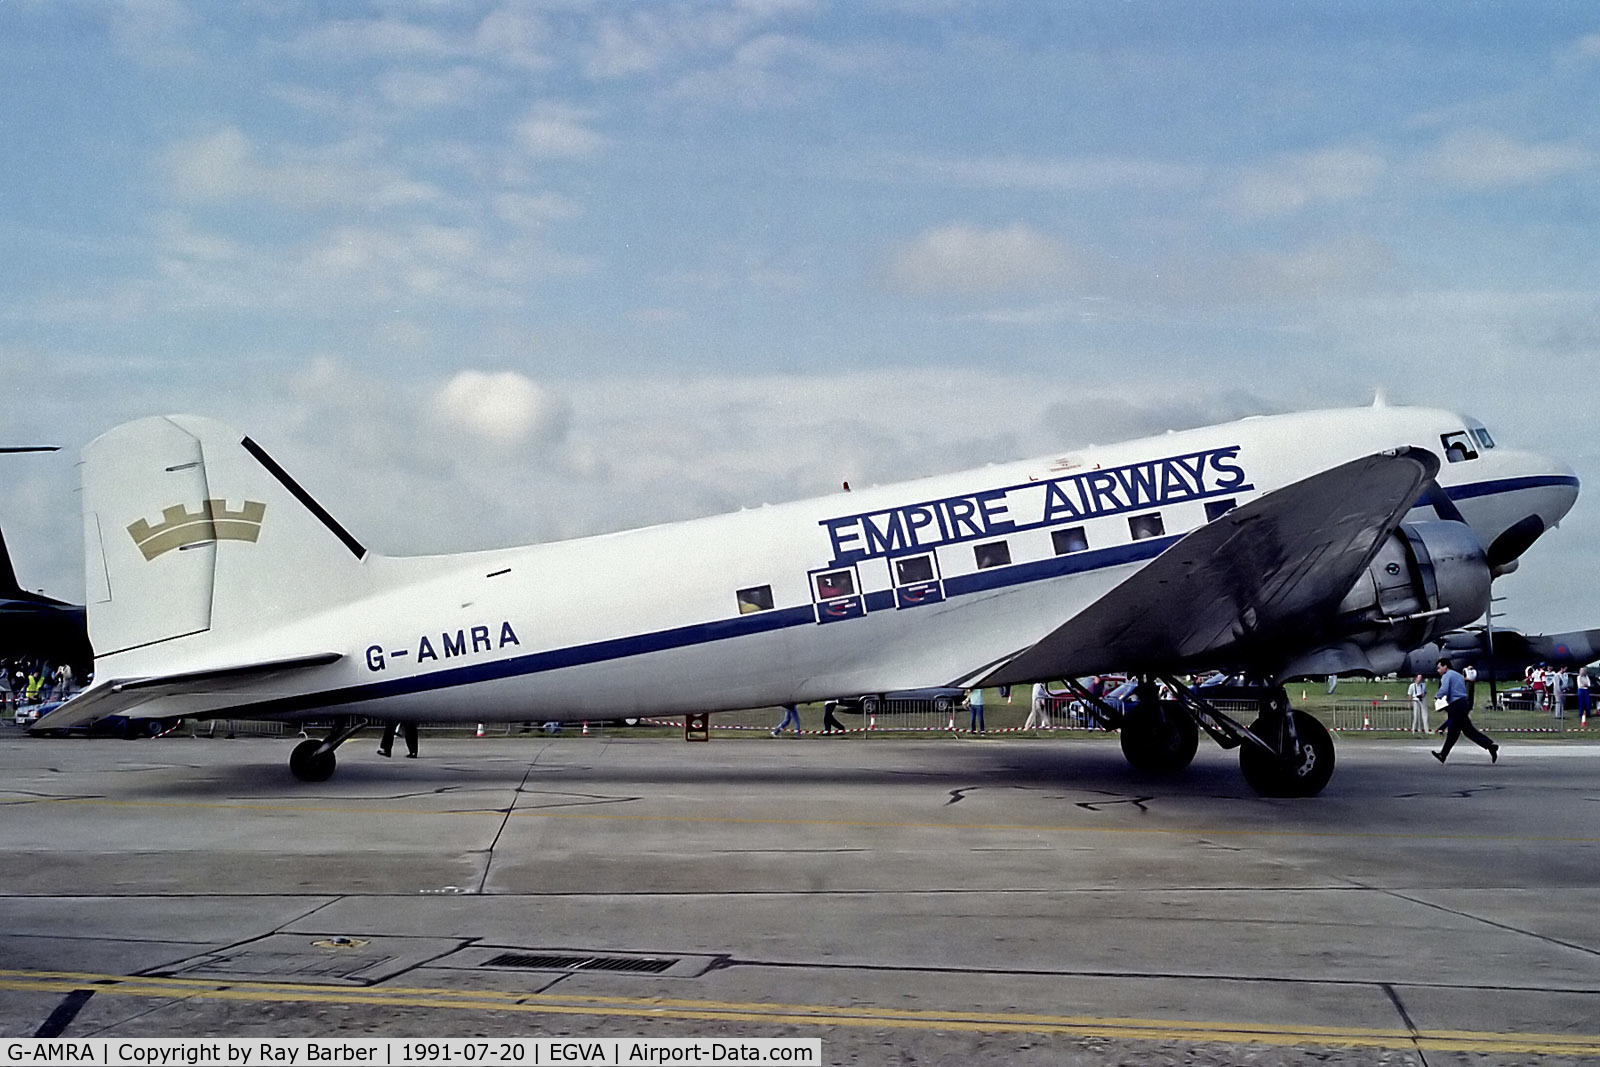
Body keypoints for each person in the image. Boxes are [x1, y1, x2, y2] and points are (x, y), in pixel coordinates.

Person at [1432, 658, 1497, 764]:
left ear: (1445, 666)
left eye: (1439, 667)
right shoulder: (1458, 675)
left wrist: (1437, 697)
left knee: (1459, 731)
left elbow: (1444, 689)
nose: (1438, 670)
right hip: (1462, 703)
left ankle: (1443, 754)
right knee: (1463, 731)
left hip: (1456, 705)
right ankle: (1490, 746)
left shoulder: (1447, 676)